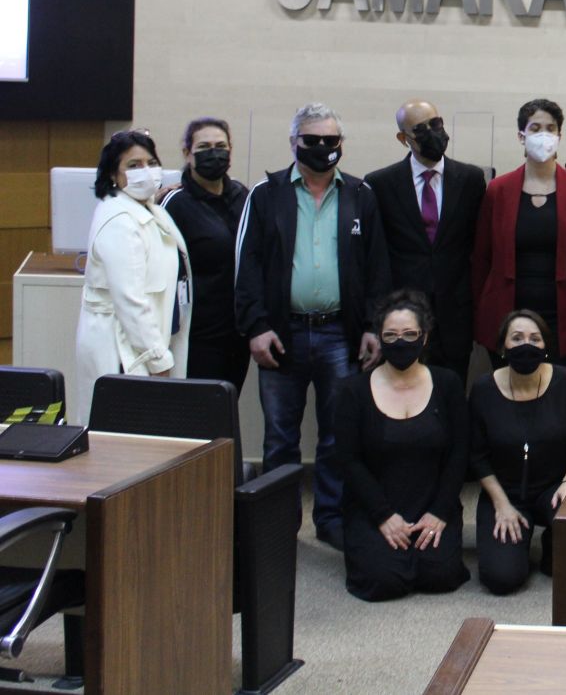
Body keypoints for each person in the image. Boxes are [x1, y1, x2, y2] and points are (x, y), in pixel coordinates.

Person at [235, 102, 391, 550]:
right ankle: (278, 524)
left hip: (339, 334)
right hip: (280, 335)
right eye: (312, 140)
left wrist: (372, 327)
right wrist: (256, 327)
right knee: (280, 437)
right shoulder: (266, 196)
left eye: (331, 141)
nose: (323, 148)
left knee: (337, 434)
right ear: (293, 143)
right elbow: (246, 268)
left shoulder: (361, 194)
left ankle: (331, 518)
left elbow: (377, 267)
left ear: (342, 145)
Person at [333, 291, 469, 601]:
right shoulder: (353, 391)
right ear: (379, 338)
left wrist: (439, 512)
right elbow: (349, 461)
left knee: (440, 575)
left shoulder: (448, 384)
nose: (401, 342)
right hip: (374, 507)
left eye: (410, 334)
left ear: (425, 337)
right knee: (384, 581)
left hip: (431, 504)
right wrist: (384, 516)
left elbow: (459, 453)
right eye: (391, 335)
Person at [468, 309, 566, 594]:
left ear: (545, 347)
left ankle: (553, 541)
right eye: (517, 338)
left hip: (555, 488)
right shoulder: (483, 389)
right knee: (502, 579)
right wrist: (501, 504)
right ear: (503, 347)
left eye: (535, 339)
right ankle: (518, 541)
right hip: (505, 492)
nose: (526, 345)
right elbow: (476, 455)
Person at [472, 99, 566, 371]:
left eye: (550, 129)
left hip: (563, 318)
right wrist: (478, 315)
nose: (544, 135)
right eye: (535, 128)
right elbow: (481, 258)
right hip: (508, 316)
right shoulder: (498, 189)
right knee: (508, 397)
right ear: (521, 136)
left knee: (558, 398)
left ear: (559, 136)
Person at [366, 99, 486, 385]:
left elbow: (477, 245)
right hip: (403, 317)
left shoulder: (470, 179)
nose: (432, 132)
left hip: (455, 314)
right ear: (402, 138)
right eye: (420, 129)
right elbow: (376, 255)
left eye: (436, 124)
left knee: (453, 396)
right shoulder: (381, 184)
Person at [74, 128, 190, 419]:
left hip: (141, 343)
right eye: (134, 166)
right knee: (121, 436)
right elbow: (130, 301)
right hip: (123, 349)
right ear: (114, 175)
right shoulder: (120, 220)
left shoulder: (150, 209)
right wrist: (157, 358)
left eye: (151, 163)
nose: (146, 172)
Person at [159, 117, 249, 394]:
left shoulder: (243, 195)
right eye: (204, 146)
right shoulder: (175, 203)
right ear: (187, 154)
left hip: (238, 334)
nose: (214, 152)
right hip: (197, 335)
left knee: (226, 409)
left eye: (221, 146)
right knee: (199, 413)